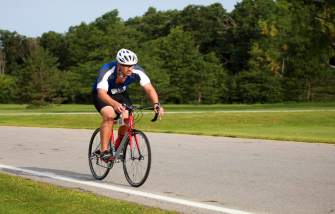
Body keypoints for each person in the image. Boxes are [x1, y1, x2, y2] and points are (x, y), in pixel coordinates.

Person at [92, 48, 164, 161]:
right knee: (109, 115)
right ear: (119, 65)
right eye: (128, 66)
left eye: (132, 65)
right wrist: (115, 104)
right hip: (103, 95)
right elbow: (101, 93)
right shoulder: (107, 70)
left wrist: (156, 103)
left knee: (127, 118)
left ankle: (119, 147)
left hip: (120, 93)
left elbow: (149, 88)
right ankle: (103, 151)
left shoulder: (137, 71)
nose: (131, 69)